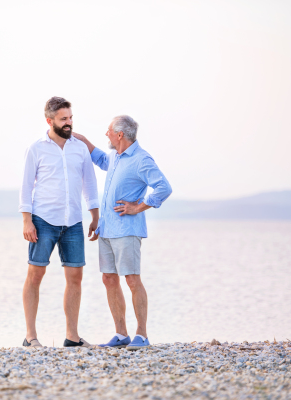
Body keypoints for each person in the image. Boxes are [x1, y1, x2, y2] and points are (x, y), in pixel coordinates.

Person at [72, 116, 171, 351]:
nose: (106, 134)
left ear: (119, 135)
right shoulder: (115, 157)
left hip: (127, 231)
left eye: (108, 131)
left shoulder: (141, 159)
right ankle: (121, 334)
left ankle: (142, 335)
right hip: (107, 230)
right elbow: (99, 158)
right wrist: (81, 139)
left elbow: (164, 187)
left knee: (132, 279)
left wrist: (138, 207)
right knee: (109, 279)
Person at [19, 96, 99, 349]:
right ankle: (30, 336)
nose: (69, 123)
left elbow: (89, 183)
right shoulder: (36, 148)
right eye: (63, 119)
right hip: (43, 220)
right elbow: (25, 188)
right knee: (35, 275)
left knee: (75, 277)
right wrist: (27, 221)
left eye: (70, 118)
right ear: (49, 120)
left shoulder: (79, 148)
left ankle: (72, 337)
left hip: (73, 221)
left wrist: (95, 214)